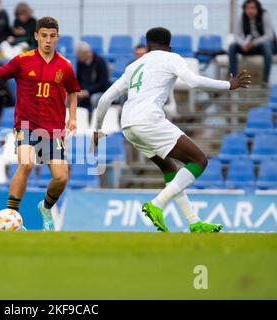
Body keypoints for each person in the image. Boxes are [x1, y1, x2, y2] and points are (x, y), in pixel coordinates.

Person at [93, 27, 251, 233]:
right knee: (199, 160)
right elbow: (194, 82)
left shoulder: (133, 66)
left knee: (169, 169)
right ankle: (156, 204)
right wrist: (228, 84)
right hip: (149, 120)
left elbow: (105, 99)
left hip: (128, 125)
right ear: (169, 45)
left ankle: (193, 222)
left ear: (148, 45)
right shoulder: (171, 58)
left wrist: (97, 129)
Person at [0, 17, 80, 231]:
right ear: (36, 36)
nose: (48, 40)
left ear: (57, 38)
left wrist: (72, 117)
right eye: (44, 35)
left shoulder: (65, 65)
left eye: (52, 36)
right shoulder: (22, 60)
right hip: (26, 124)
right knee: (25, 164)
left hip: (53, 129)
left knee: (61, 178)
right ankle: (12, 216)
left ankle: (45, 207)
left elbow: (72, 91)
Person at [228, 0, 276, 87]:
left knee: (266, 46)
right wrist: (243, 44)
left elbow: (269, 36)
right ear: (244, 9)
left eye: (253, 8)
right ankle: (233, 79)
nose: (250, 11)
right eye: (247, 8)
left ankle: (265, 81)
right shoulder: (242, 17)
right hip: (249, 47)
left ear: (258, 9)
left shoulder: (265, 15)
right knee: (232, 47)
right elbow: (237, 35)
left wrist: (254, 43)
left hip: (265, 47)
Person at [75, 42, 109, 112]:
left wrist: (88, 91)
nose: (78, 58)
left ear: (87, 53)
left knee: (94, 98)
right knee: (71, 96)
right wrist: (78, 91)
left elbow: (102, 83)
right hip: (83, 92)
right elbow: (78, 80)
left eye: (79, 56)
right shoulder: (80, 63)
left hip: (97, 91)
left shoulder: (100, 62)